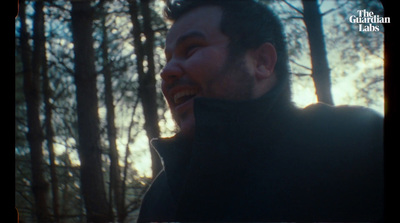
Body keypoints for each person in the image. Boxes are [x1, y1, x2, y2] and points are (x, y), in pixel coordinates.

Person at [137, 0, 384, 222]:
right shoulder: (162, 197)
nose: (166, 71)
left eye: (191, 49)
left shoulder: (357, 143)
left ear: (262, 62)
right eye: (167, 59)